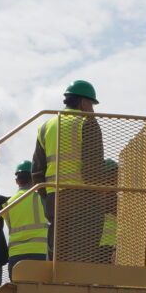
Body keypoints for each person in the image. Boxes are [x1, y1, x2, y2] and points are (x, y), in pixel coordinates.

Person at [31, 79, 105, 262]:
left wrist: (46, 195)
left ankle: (57, 285)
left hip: (54, 198)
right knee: (83, 253)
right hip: (83, 196)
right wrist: (101, 194)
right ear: (83, 102)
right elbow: (93, 168)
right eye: (92, 105)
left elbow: (37, 170)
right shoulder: (87, 122)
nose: (93, 111)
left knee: (58, 252)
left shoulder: (46, 126)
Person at [5, 160, 49, 277]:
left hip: (15, 255)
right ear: (34, 179)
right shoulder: (42, 199)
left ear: (17, 181)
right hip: (39, 253)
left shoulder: (7, 204)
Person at [95, 158, 119, 264]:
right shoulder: (110, 199)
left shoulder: (115, 197)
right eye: (115, 174)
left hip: (111, 247)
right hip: (102, 248)